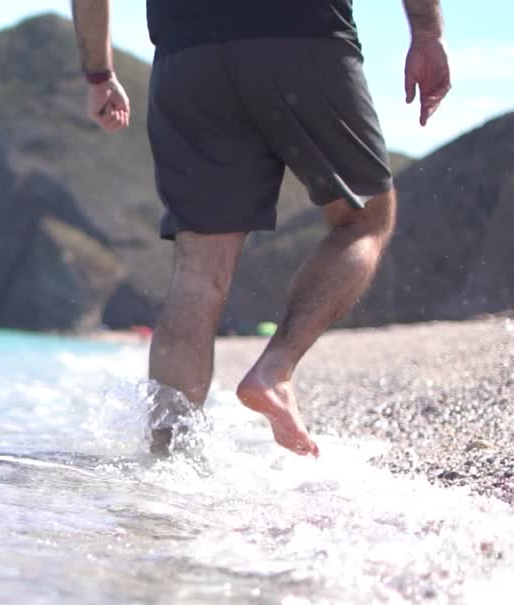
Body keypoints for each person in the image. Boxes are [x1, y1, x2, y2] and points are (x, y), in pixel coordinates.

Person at [71, 0, 452, 456]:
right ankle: (275, 370)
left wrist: (98, 73)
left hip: (187, 55)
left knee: (199, 269)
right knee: (365, 219)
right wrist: (426, 34)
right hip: (303, 32)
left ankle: (164, 467)